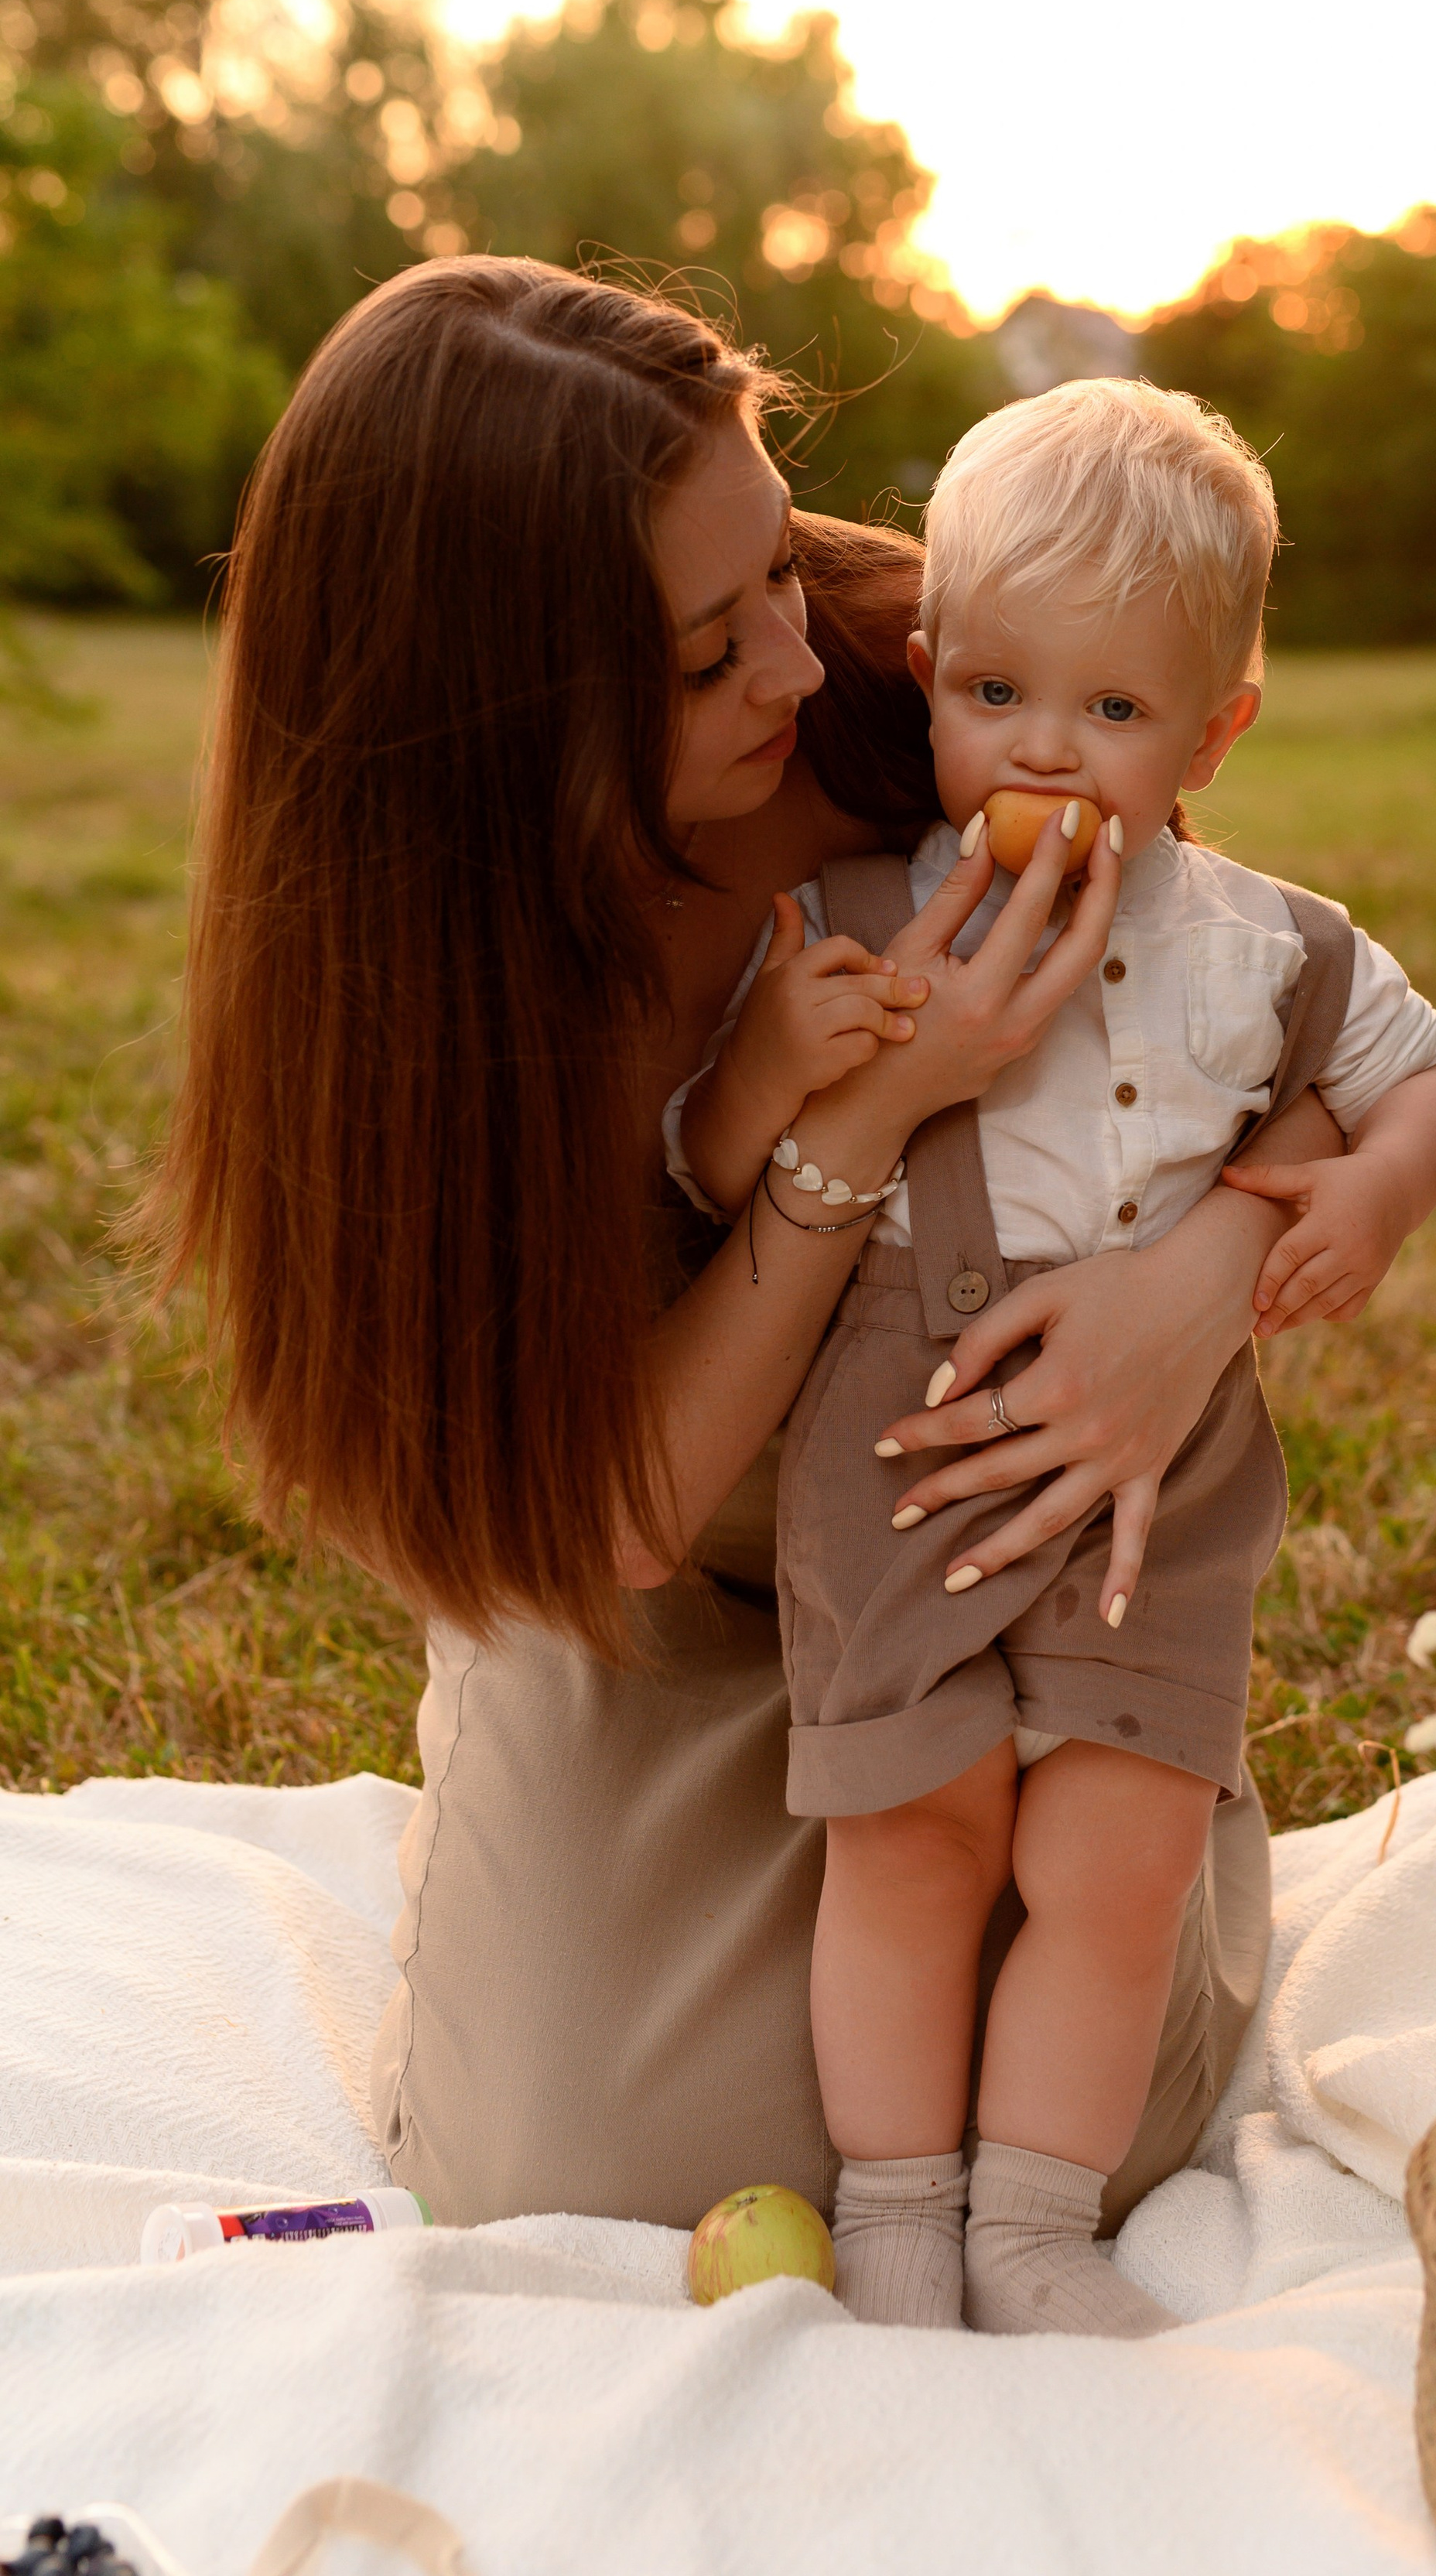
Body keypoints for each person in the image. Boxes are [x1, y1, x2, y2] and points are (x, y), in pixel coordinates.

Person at [146, 257, 1352, 2239]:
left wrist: (1200, 1281)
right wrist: (857, 1121)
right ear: (501, 730)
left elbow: (1256, 1019)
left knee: (1087, 2103)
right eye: (711, 654)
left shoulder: (893, 677)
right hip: (650, 1574)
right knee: (571, 2173)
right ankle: (545, 1803)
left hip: (967, 1543)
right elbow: (615, 1513)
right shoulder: (397, 1009)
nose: (796, 660)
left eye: (780, 560)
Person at [672, 380, 1436, 2334]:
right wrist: (777, 1063)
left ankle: (1032, 2226)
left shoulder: (1271, 946)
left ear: (1214, 732)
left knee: (1118, 1854)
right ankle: (896, 2215)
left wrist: (1365, 1201)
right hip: (902, 1448)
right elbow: (704, 1161)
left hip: (1158, 1486)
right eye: (996, 693)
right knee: (912, 1834)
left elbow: (1419, 1084)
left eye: (1112, 710)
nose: (1043, 748)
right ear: (927, 677)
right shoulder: (842, 920)